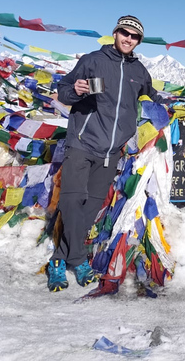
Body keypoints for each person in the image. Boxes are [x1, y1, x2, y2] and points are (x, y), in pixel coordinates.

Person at [47, 15, 165, 292]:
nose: (128, 38)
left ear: (138, 41)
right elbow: (63, 91)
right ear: (115, 33)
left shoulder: (140, 72)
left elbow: (152, 100)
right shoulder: (93, 61)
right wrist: (75, 91)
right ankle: (71, 259)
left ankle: (61, 258)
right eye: (124, 33)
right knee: (72, 202)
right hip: (82, 141)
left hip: (112, 151)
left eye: (134, 36)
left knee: (91, 207)